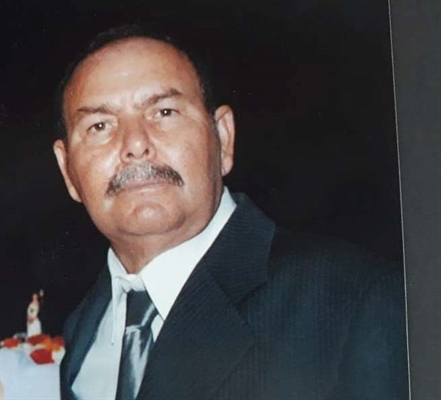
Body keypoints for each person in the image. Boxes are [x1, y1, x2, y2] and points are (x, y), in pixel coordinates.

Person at [53, 25, 408, 400]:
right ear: (68, 171)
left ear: (222, 138)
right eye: (100, 126)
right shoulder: (84, 327)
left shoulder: (353, 301)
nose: (135, 144)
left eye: (164, 112)